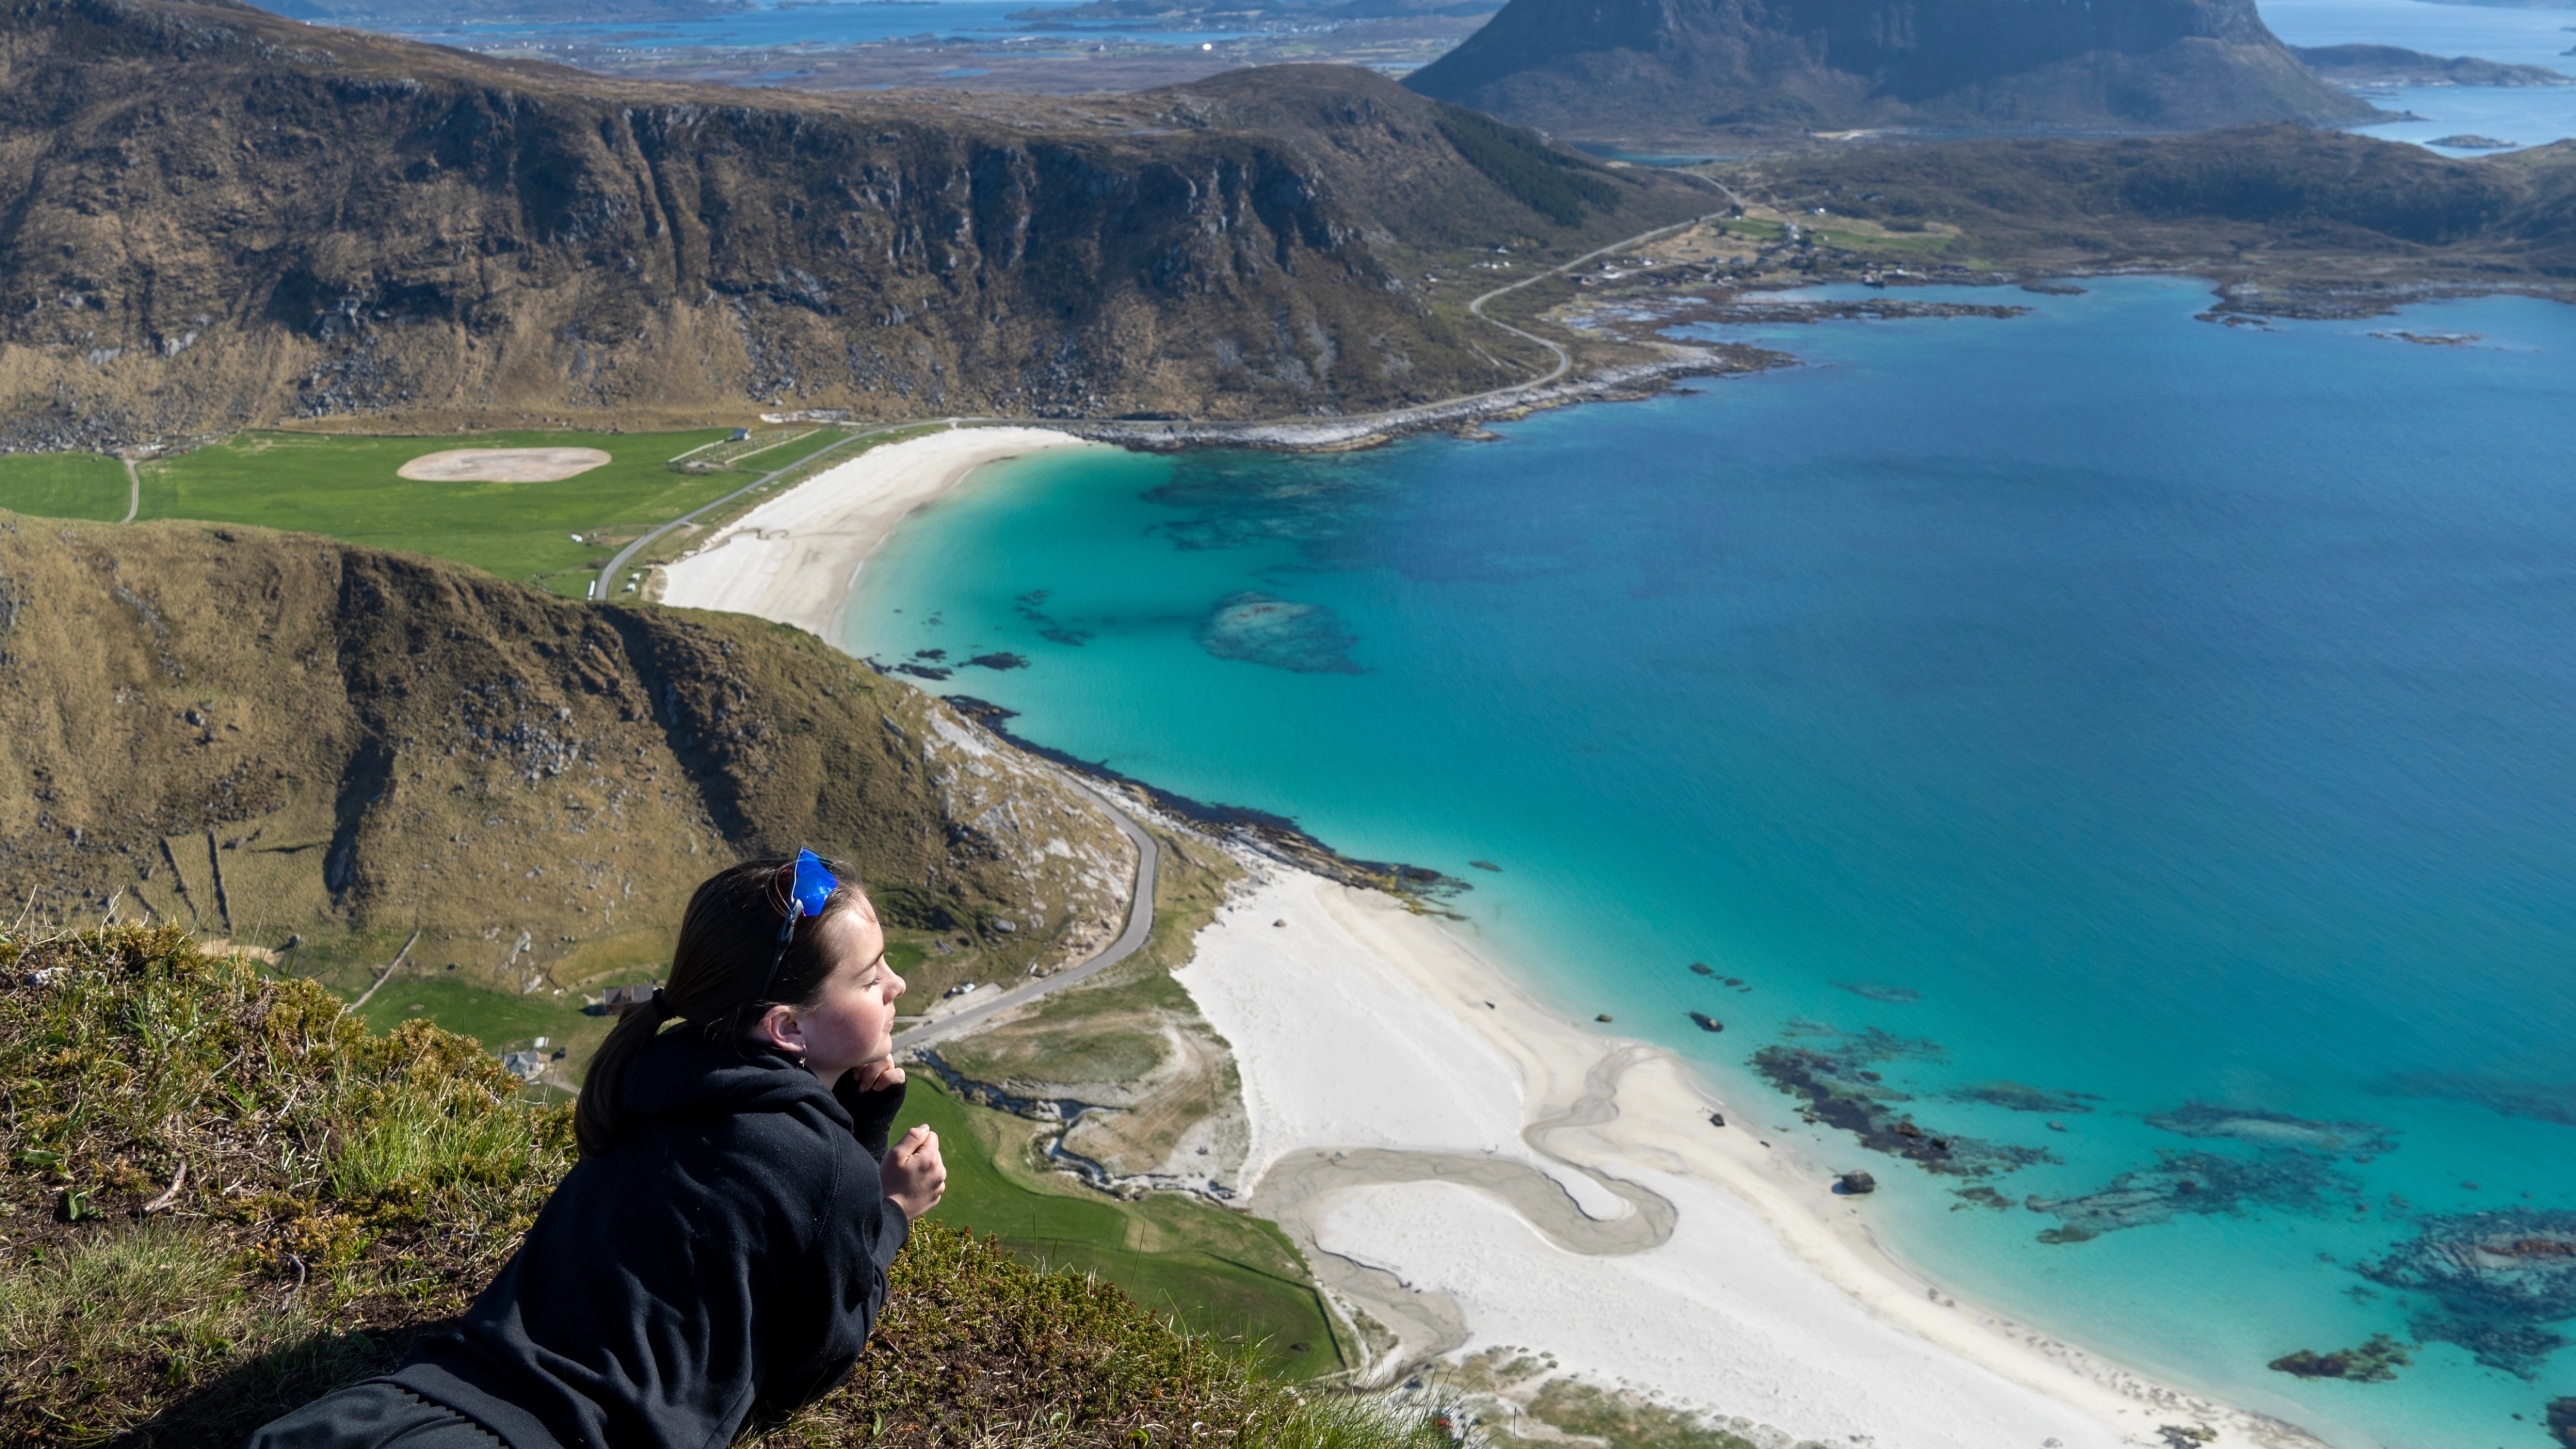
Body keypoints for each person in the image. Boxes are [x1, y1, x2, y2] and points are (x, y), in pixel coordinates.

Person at [246, 851, 947, 1449]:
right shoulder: (825, 1167)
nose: (898, 985)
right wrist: (890, 1212)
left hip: (411, 1403)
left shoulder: (656, 1077)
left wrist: (856, 1133)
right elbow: (814, 1361)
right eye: (870, 976)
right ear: (787, 1028)